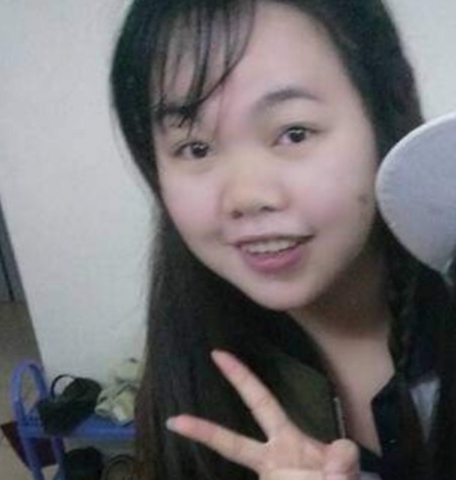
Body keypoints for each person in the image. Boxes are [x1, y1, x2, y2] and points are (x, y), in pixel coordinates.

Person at [110, 1, 456, 479]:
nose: (246, 196)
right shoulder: (191, 367)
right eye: (195, 148)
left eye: (294, 133)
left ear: (383, 118)